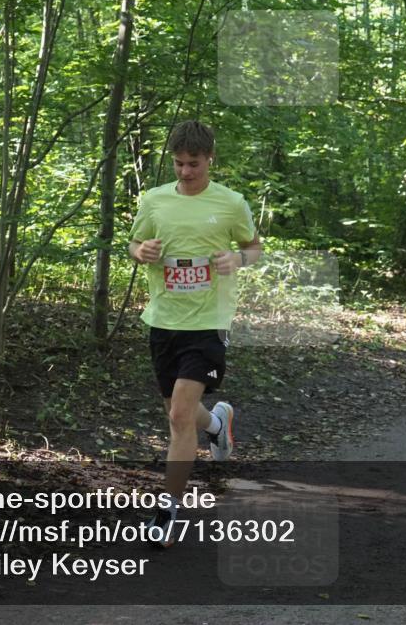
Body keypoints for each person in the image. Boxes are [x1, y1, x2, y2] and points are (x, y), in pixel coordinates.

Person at [128, 120, 261, 548]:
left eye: (194, 165)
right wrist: (140, 251)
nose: (185, 172)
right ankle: (218, 424)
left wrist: (238, 259)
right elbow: (135, 244)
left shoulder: (231, 203)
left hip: (209, 320)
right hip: (164, 320)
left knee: (178, 417)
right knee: (180, 413)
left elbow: (255, 248)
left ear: (210, 160)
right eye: (179, 164)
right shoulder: (154, 200)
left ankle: (168, 512)